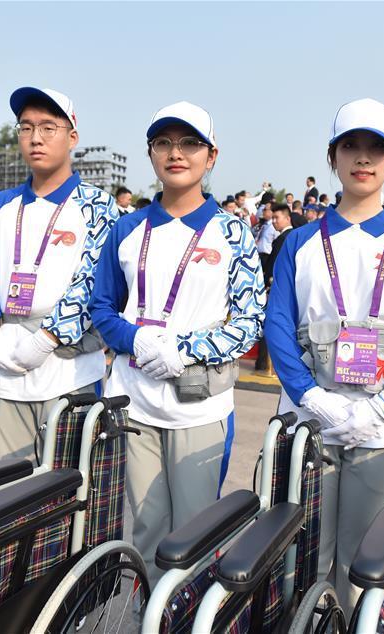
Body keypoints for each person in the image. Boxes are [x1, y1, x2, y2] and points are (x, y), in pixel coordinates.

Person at [265, 98, 384, 613]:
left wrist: (380, 408)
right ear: (332, 157)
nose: (362, 158)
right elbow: (279, 325)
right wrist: (313, 398)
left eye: (376, 148)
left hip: (380, 430)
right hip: (309, 423)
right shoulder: (299, 242)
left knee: (362, 561)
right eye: (351, 147)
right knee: (302, 553)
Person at [89, 101, 266, 585]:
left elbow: (250, 321)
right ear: (151, 154)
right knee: (145, 528)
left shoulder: (232, 231)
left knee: (193, 533)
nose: (176, 153)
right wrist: (141, 341)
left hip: (199, 406)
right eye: (164, 143)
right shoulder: (126, 228)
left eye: (190, 143)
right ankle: (146, 611)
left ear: (211, 156)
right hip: (135, 400)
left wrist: (184, 349)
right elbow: (102, 308)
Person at [0, 87, 120, 461]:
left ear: (72, 137)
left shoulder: (98, 206)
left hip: (69, 370)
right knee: (9, 492)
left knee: (67, 492)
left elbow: (92, 285)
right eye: (26, 127)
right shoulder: (2, 205)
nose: (35, 137)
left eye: (48, 127)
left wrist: (45, 341)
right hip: (6, 367)